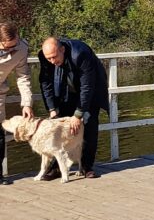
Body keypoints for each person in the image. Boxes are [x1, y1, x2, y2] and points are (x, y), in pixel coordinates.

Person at [38, 37, 109, 180]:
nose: (52, 61)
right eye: (48, 58)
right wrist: (52, 108)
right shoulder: (44, 57)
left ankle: (86, 167)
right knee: (61, 126)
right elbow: (45, 83)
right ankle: (58, 168)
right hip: (66, 90)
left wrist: (78, 115)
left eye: (54, 57)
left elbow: (87, 86)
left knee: (88, 124)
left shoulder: (81, 53)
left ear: (62, 50)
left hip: (92, 90)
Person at [0, 22, 34, 185]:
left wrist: (26, 103)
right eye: (6, 48)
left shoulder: (21, 48)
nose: (10, 51)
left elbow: (23, 76)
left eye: (13, 46)